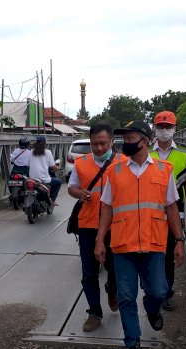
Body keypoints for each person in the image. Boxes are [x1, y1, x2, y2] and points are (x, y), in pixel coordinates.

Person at [94, 120, 185, 349]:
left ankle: (152, 309)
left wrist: (179, 240)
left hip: (154, 244)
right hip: (123, 245)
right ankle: (132, 343)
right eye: (124, 139)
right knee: (125, 297)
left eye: (131, 138)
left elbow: (172, 207)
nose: (126, 143)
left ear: (144, 141)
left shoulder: (163, 170)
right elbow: (107, 208)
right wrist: (100, 239)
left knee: (158, 291)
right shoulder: (115, 171)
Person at [67, 122, 125, 332]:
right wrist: (79, 193)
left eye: (103, 143)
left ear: (111, 142)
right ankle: (94, 312)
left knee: (116, 268)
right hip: (88, 224)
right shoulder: (81, 163)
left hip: (116, 225)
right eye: (95, 144)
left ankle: (112, 289)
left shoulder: (123, 163)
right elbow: (71, 187)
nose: (99, 148)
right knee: (89, 272)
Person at [150, 110, 186, 311]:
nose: (164, 130)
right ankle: (152, 291)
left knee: (169, 255)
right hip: (150, 213)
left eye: (168, 127)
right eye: (160, 127)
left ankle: (166, 294)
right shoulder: (146, 153)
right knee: (153, 255)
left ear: (174, 129)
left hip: (174, 213)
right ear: (155, 128)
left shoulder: (184, 155)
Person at [28, 135, 61, 205]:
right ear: (45, 143)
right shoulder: (48, 152)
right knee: (58, 182)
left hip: (32, 179)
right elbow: (53, 166)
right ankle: (52, 200)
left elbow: (27, 164)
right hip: (44, 179)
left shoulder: (31, 152)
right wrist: (57, 168)